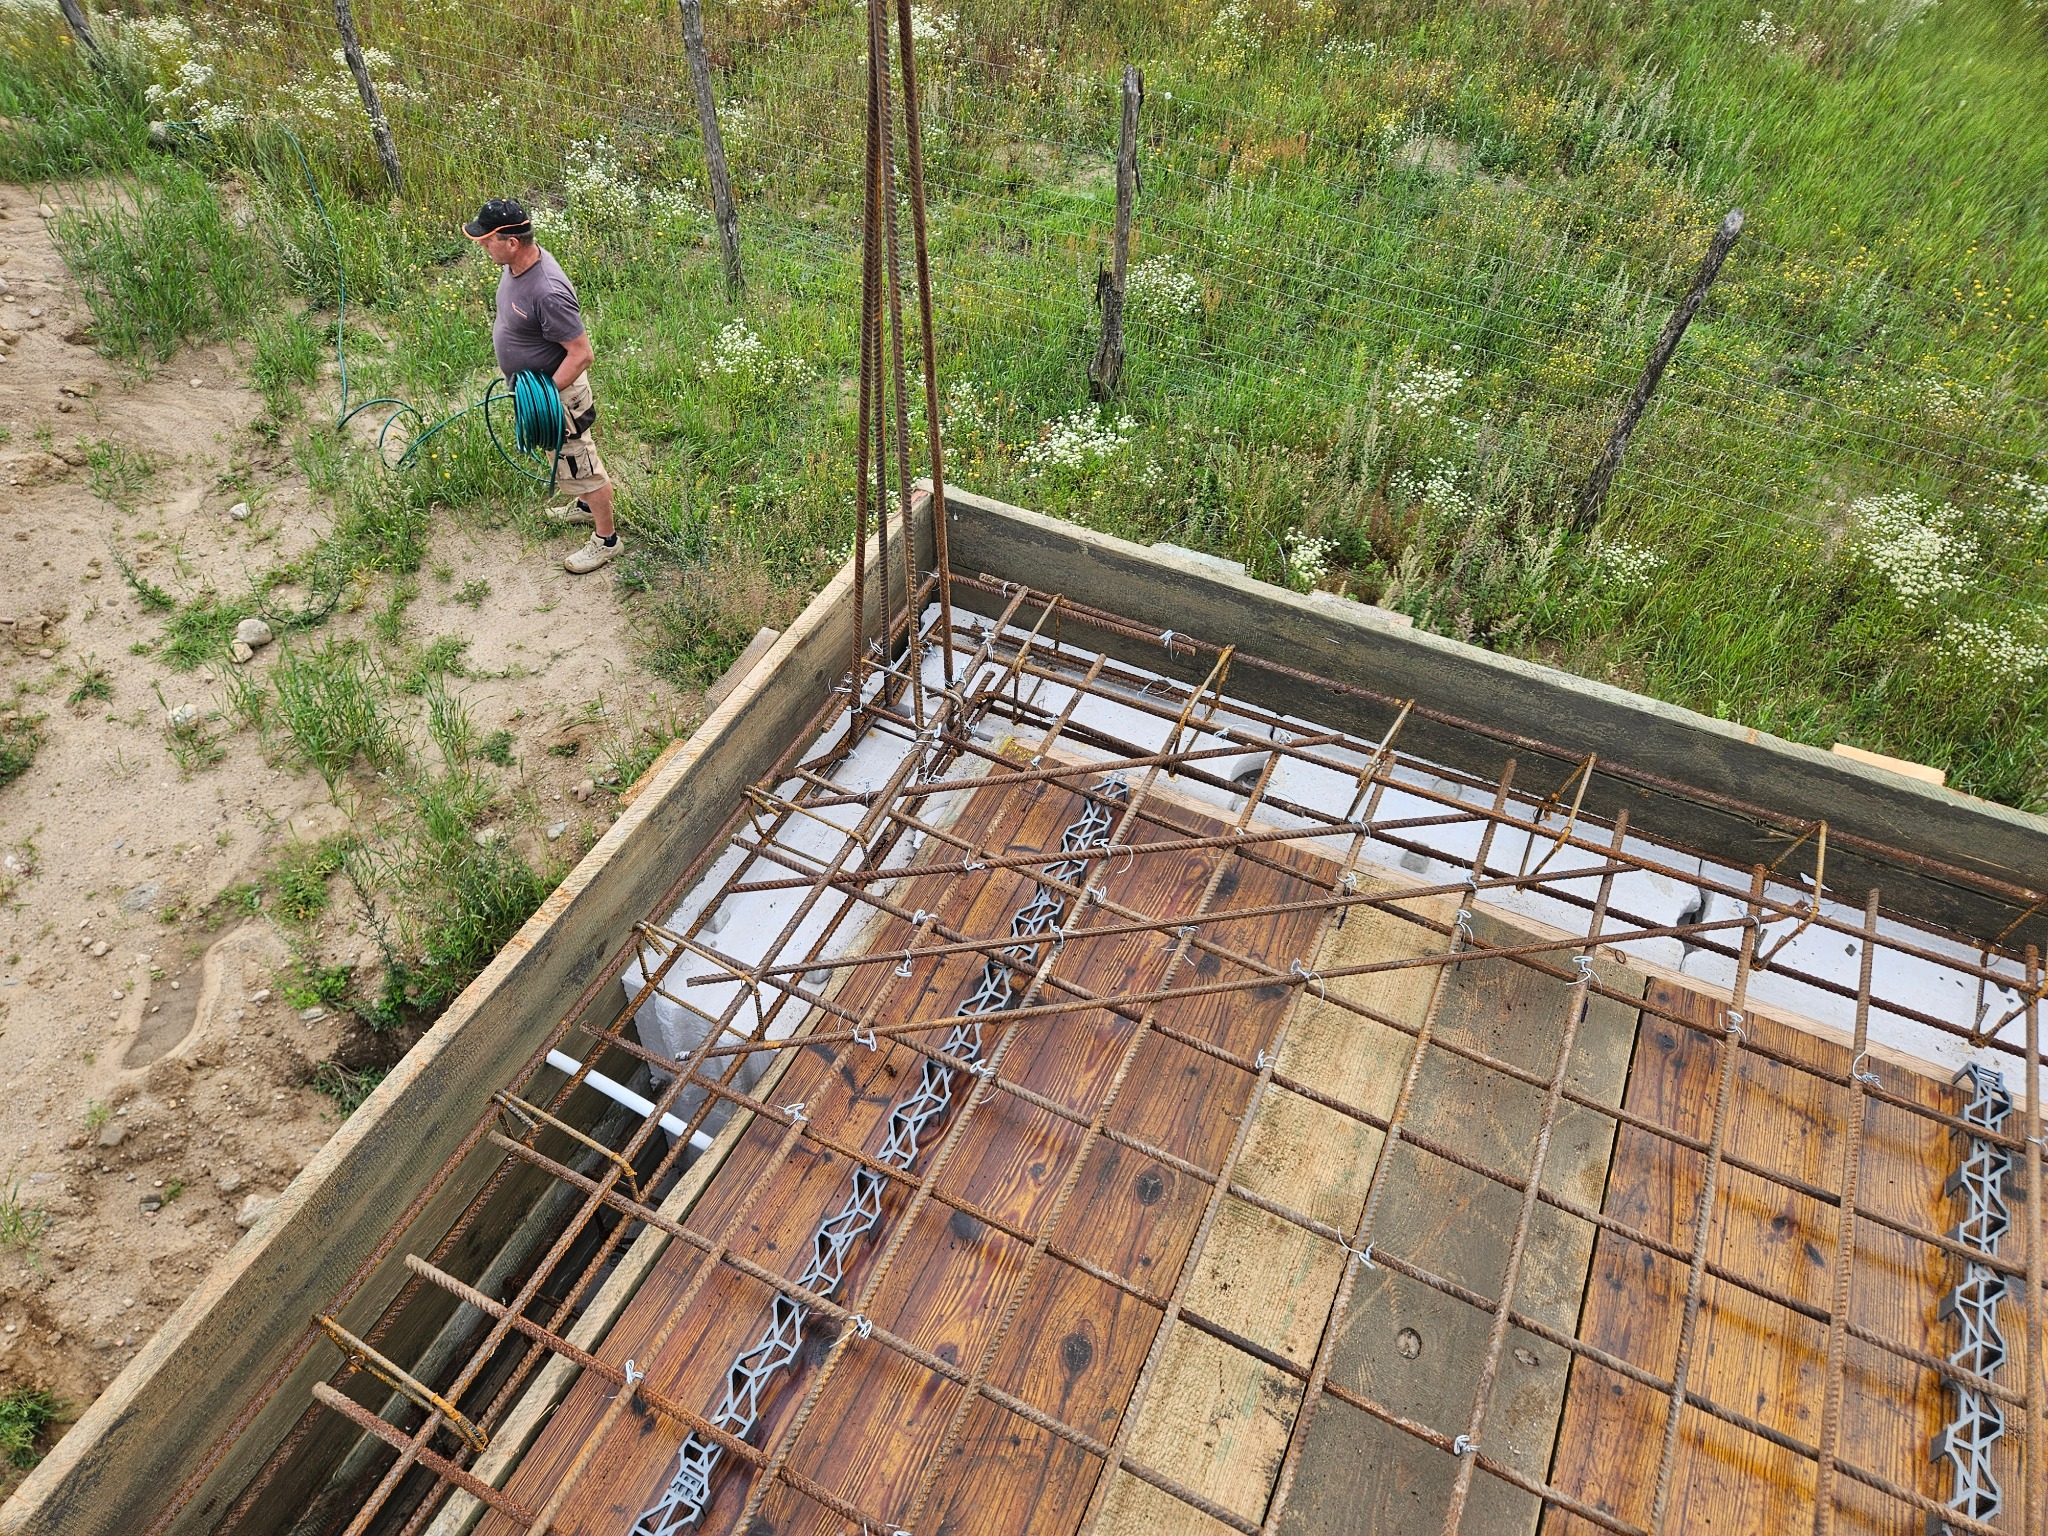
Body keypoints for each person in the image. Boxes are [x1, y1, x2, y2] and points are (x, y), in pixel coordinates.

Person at [463, 197, 621, 574]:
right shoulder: (515, 265)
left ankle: (607, 540)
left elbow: (581, 354)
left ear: (512, 241)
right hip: (540, 390)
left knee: (583, 463)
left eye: (487, 240)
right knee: (565, 458)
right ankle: (583, 507)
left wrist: (545, 396)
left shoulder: (548, 290)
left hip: (560, 396)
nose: (482, 246)